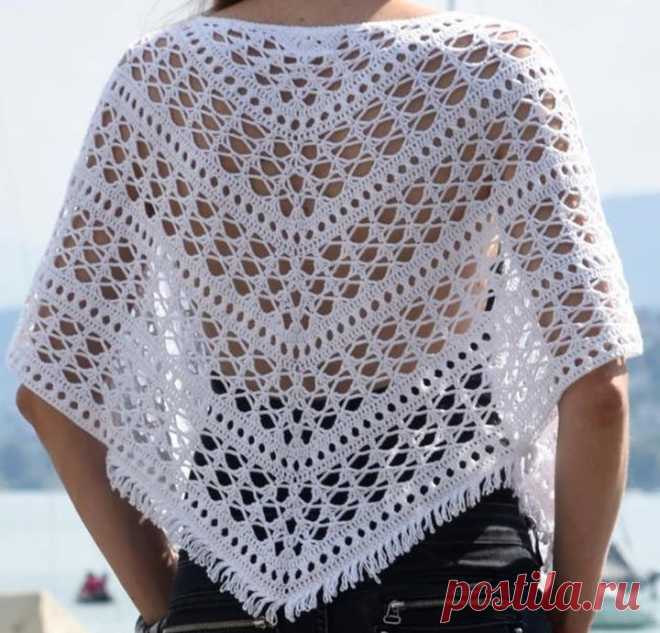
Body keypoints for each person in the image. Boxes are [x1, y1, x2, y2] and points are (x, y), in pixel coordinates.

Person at [7, 0, 644, 632]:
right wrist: (567, 622)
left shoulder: (157, 79)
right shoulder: (494, 68)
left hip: (230, 589)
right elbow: (598, 390)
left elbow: (52, 385)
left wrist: (167, 603)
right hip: (456, 588)